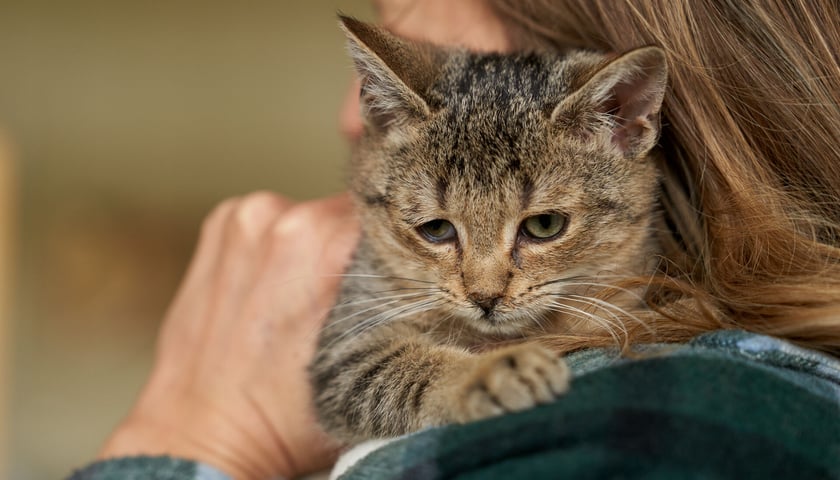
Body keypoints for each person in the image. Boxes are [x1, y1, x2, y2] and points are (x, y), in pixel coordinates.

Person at [69, 1, 840, 479]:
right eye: (437, 229)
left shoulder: (681, 423)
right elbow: (353, 385)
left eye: (540, 227)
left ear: (629, 119)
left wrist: (195, 439)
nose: (482, 287)